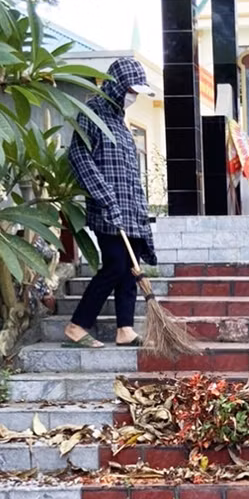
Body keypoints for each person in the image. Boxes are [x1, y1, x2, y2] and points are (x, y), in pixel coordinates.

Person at [63, 57, 158, 349]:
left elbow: (128, 171)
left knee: (131, 267)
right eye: (132, 89)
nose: (134, 96)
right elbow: (78, 157)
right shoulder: (93, 113)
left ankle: (125, 329)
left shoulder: (119, 121)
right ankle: (77, 325)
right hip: (107, 208)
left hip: (131, 211)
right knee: (116, 265)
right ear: (117, 85)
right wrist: (104, 197)